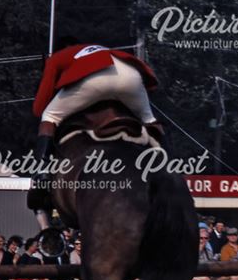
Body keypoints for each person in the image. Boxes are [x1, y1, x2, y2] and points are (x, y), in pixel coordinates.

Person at [27, 37, 161, 229]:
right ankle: (168, 165)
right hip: (130, 74)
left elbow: (39, 108)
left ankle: (42, 171)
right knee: (150, 121)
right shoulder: (95, 49)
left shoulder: (57, 57)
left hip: (96, 79)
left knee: (49, 116)